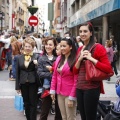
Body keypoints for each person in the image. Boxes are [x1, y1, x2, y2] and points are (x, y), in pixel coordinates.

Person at [73, 22, 113, 120]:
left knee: (90, 117)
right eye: (81, 31)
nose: (82, 34)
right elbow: (75, 71)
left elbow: (108, 69)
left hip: (91, 88)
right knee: (83, 117)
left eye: (85, 31)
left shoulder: (98, 47)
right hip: (79, 88)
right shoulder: (80, 49)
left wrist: (91, 59)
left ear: (91, 33)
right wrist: (80, 58)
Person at [50, 37, 77, 120]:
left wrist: (72, 97)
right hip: (59, 93)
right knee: (63, 117)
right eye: (61, 46)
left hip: (69, 93)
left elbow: (76, 80)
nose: (62, 48)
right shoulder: (58, 58)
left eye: (64, 46)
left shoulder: (75, 60)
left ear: (71, 47)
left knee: (70, 118)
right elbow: (54, 76)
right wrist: (52, 90)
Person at [16, 37, 38, 120]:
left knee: (33, 103)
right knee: (26, 103)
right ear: (23, 47)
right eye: (26, 46)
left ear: (33, 47)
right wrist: (17, 87)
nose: (27, 48)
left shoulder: (36, 57)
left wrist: (37, 65)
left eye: (29, 46)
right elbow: (17, 73)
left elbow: (39, 71)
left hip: (33, 83)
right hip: (23, 83)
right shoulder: (19, 58)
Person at [37, 37, 59, 120]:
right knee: (44, 111)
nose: (48, 46)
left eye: (50, 44)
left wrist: (52, 72)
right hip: (47, 87)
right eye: (46, 44)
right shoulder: (41, 58)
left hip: (58, 86)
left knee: (59, 111)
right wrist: (53, 74)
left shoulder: (58, 58)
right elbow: (40, 73)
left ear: (54, 46)